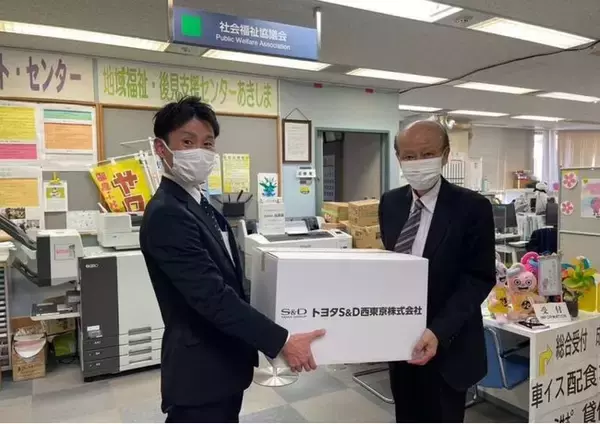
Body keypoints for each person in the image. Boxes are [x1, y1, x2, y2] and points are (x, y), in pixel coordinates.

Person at [139, 96, 325, 423]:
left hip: (223, 362)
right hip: (200, 369)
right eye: (187, 142)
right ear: (161, 148)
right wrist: (282, 340)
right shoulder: (167, 212)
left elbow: (231, 281)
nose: (200, 151)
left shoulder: (200, 203)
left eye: (208, 143)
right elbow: (212, 296)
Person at [379, 120, 495, 423]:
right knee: (406, 415)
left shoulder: (472, 207)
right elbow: (393, 266)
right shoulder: (390, 203)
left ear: (445, 154)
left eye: (427, 153)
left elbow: (478, 278)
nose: (418, 162)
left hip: (448, 345)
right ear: (398, 158)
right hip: (400, 342)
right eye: (409, 156)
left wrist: (438, 331)